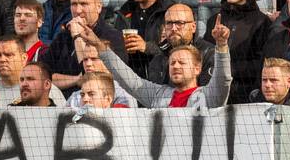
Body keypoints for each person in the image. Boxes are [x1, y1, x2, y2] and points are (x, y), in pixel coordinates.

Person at [75, 14, 233, 109]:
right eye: (172, 63)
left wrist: (221, 45)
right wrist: (97, 44)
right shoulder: (158, 95)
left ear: (197, 69)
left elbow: (223, 79)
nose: (176, 66)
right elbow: (127, 79)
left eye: (182, 63)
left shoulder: (209, 96)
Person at [204, 0, 287, 103]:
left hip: (244, 98)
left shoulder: (261, 22)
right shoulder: (214, 20)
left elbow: (262, 63)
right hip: (213, 95)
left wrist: (230, 69)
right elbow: (206, 56)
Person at [41, 0, 125, 95]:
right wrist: (76, 80)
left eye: (84, 4)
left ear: (98, 7)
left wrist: (77, 36)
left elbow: (89, 76)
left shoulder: (113, 37)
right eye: (74, 4)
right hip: (62, 104)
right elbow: (44, 77)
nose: (78, 10)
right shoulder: (63, 37)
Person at [116, 0, 173, 78]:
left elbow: (180, 49)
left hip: (161, 82)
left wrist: (146, 47)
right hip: (129, 82)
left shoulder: (170, 11)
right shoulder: (124, 11)